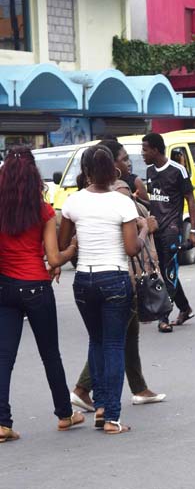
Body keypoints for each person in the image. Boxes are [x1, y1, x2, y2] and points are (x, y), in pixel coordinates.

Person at [59, 144, 150, 435]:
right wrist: (145, 228)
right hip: (115, 278)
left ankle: (100, 406)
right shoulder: (122, 203)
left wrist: (78, 245)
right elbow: (131, 248)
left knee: (96, 342)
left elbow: (64, 244)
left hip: (84, 280)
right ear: (113, 171)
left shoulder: (73, 202)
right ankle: (110, 416)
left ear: (85, 172)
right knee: (113, 345)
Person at [0, 147, 85, 442]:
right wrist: (72, 248)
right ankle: (65, 414)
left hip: (5, 287)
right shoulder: (43, 210)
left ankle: (2, 423)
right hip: (36, 286)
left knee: (4, 356)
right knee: (50, 354)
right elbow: (54, 258)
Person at [71, 179, 166, 412]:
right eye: (123, 158)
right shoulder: (120, 192)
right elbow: (132, 243)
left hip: (99, 277)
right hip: (123, 276)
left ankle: (138, 388)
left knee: (126, 336)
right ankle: (87, 392)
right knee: (111, 339)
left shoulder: (84, 199)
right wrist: (147, 227)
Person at [142, 133, 195, 333]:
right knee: (165, 273)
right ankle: (185, 308)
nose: (143, 154)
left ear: (156, 150)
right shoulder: (149, 171)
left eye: (145, 149)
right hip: (155, 230)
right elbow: (155, 200)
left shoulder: (178, 170)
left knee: (167, 272)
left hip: (172, 230)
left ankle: (163, 316)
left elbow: (190, 199)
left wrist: (193, 230)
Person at [100, 139, 149, 203]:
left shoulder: (135, 181)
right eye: (125, 159)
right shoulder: (95, 187)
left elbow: (148, 207)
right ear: (111, 163)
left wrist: (135, 199)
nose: (129, 164)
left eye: (128, 158)